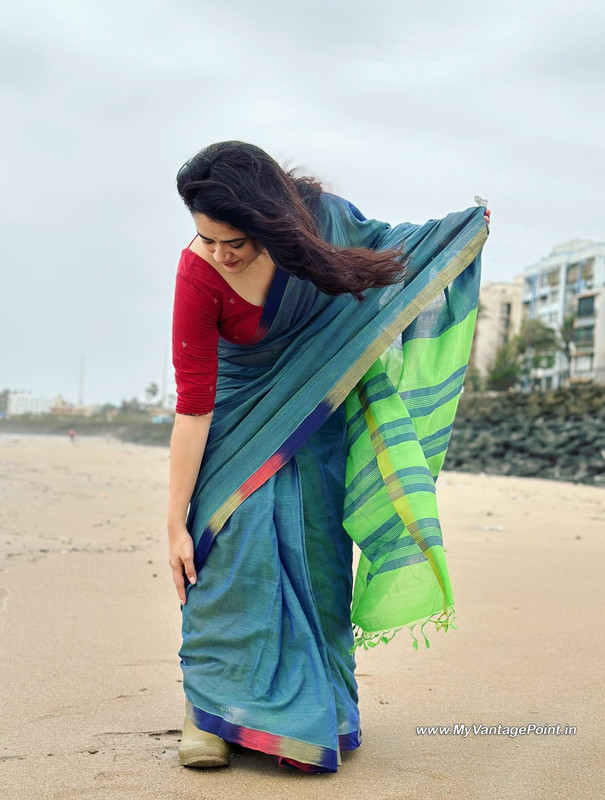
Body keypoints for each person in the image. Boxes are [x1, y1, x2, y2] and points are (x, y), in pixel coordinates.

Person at [168, 141, 489, 773]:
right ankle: (205, 710)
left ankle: (310, 706)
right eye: (205, 239)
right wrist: (174, 520)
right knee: (229, 554)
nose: (220, 254)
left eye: (235, 241)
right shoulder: (197, 273)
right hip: (233, 421)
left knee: (316, 559)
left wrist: (466, 230)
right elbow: (194, 402)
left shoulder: (321, 227)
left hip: (316, 418)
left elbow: (394, 252)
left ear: (271, 223)